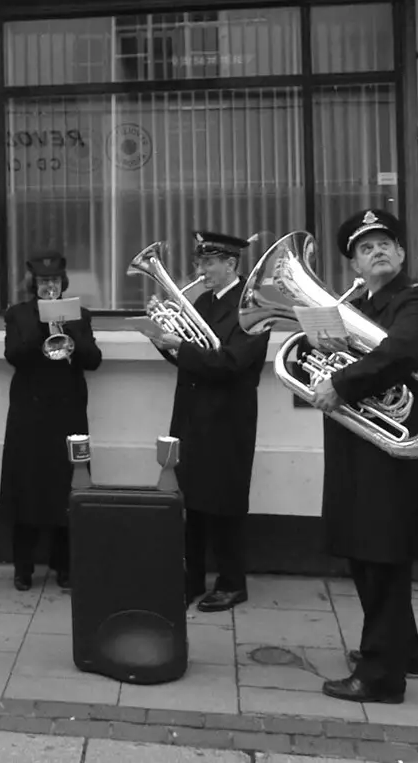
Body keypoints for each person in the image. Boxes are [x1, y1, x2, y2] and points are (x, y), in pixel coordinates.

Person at [310, 208, 418, 705]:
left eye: (385, 244)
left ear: (401, 253)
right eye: (365, 247)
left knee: (382, 559)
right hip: (361, 447)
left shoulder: (414, 300)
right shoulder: (357, 309)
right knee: (369, 555)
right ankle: (403, 650)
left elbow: (406, 351)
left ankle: (380, 676)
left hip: (392, 452)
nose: (377, 252)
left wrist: (342, 381)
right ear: (354, 263)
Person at [146, 231, 269, 613]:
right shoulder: (202, 300)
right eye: (201, 262)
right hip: (192, 412)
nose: (201, 270)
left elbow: (231, 362)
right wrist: (160, 337)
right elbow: (188, 357)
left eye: (208, 263)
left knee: (225, 502)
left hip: (228, 415)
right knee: (193, 500)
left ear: (231, 264)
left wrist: (180, 346)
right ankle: (192, 577)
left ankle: (233, 583)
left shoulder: (254, 307)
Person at [0, 251, 102, 591]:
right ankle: (23, 567)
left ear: (63, 283)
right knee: (25, 487)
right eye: (43, 282)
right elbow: (14, 355)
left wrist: (69, 330)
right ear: (33, 284)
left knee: (67, 486)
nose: (49, 287)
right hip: (30, 413)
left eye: (54, 282)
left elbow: (94, 361)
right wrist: (43, 327)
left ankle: (65, 565)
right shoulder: (17, 315)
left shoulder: (79, 314)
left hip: (68, 412)